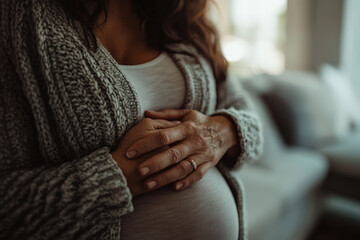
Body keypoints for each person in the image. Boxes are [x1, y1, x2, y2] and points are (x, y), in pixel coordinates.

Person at [0, 0, 263, 239]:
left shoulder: (185, 16)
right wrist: (114, 180)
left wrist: (224, 130)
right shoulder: (20, 20)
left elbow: (245, 112)